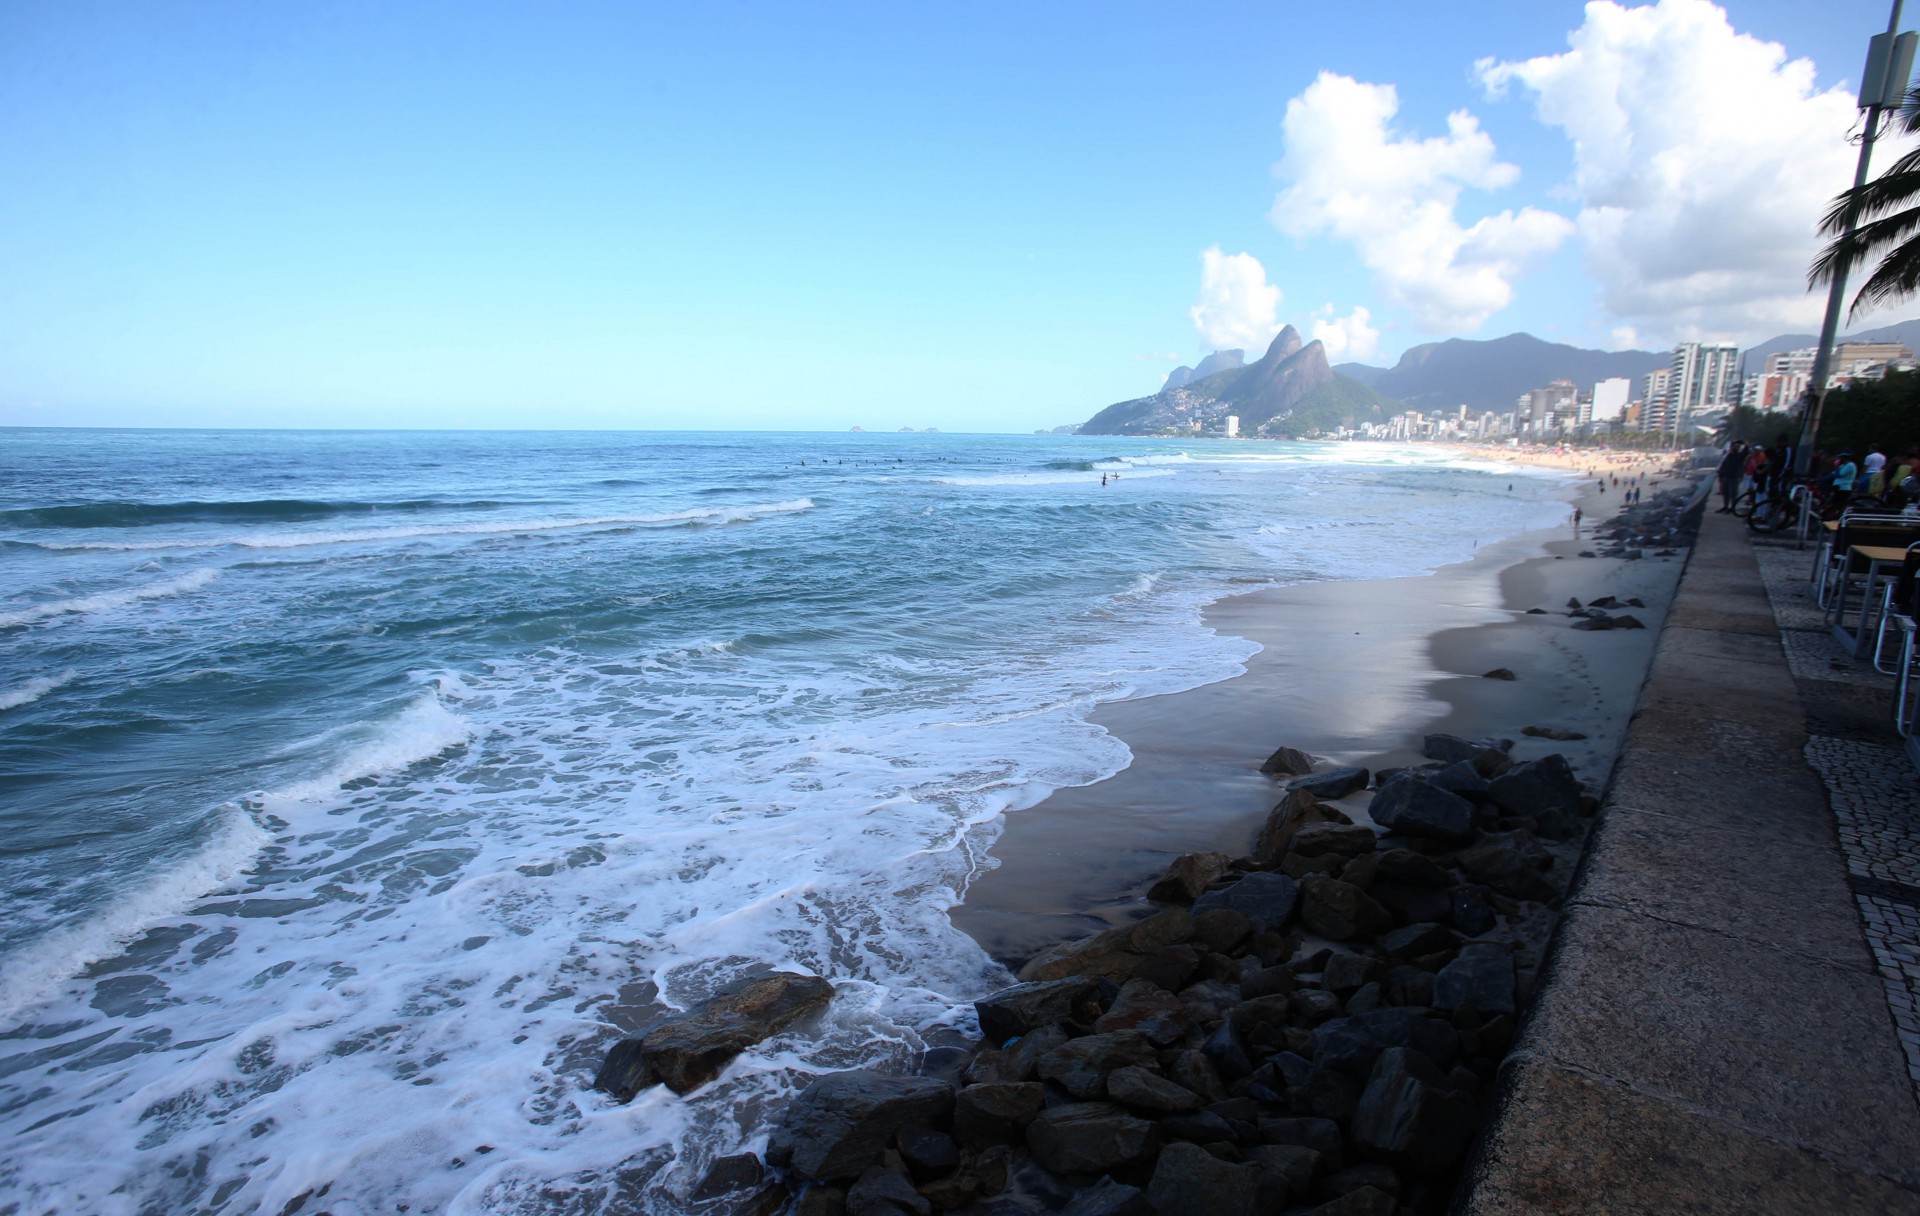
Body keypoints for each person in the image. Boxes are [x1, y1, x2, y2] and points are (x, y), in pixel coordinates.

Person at [1716, 441, 1746, 512]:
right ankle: (1725, 506)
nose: (1732, 448)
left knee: (1733, 494)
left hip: (1734, 478)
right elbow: (1724, 465)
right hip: (1726, 476)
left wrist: (1744, 443)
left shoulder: (1739, 456)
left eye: (1734, 447)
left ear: (1737, 448)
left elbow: (1745, 451)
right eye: (1732, 447)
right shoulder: (1728, 456)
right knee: (1725, 492)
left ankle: (1733, 508)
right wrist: (1721, 472)